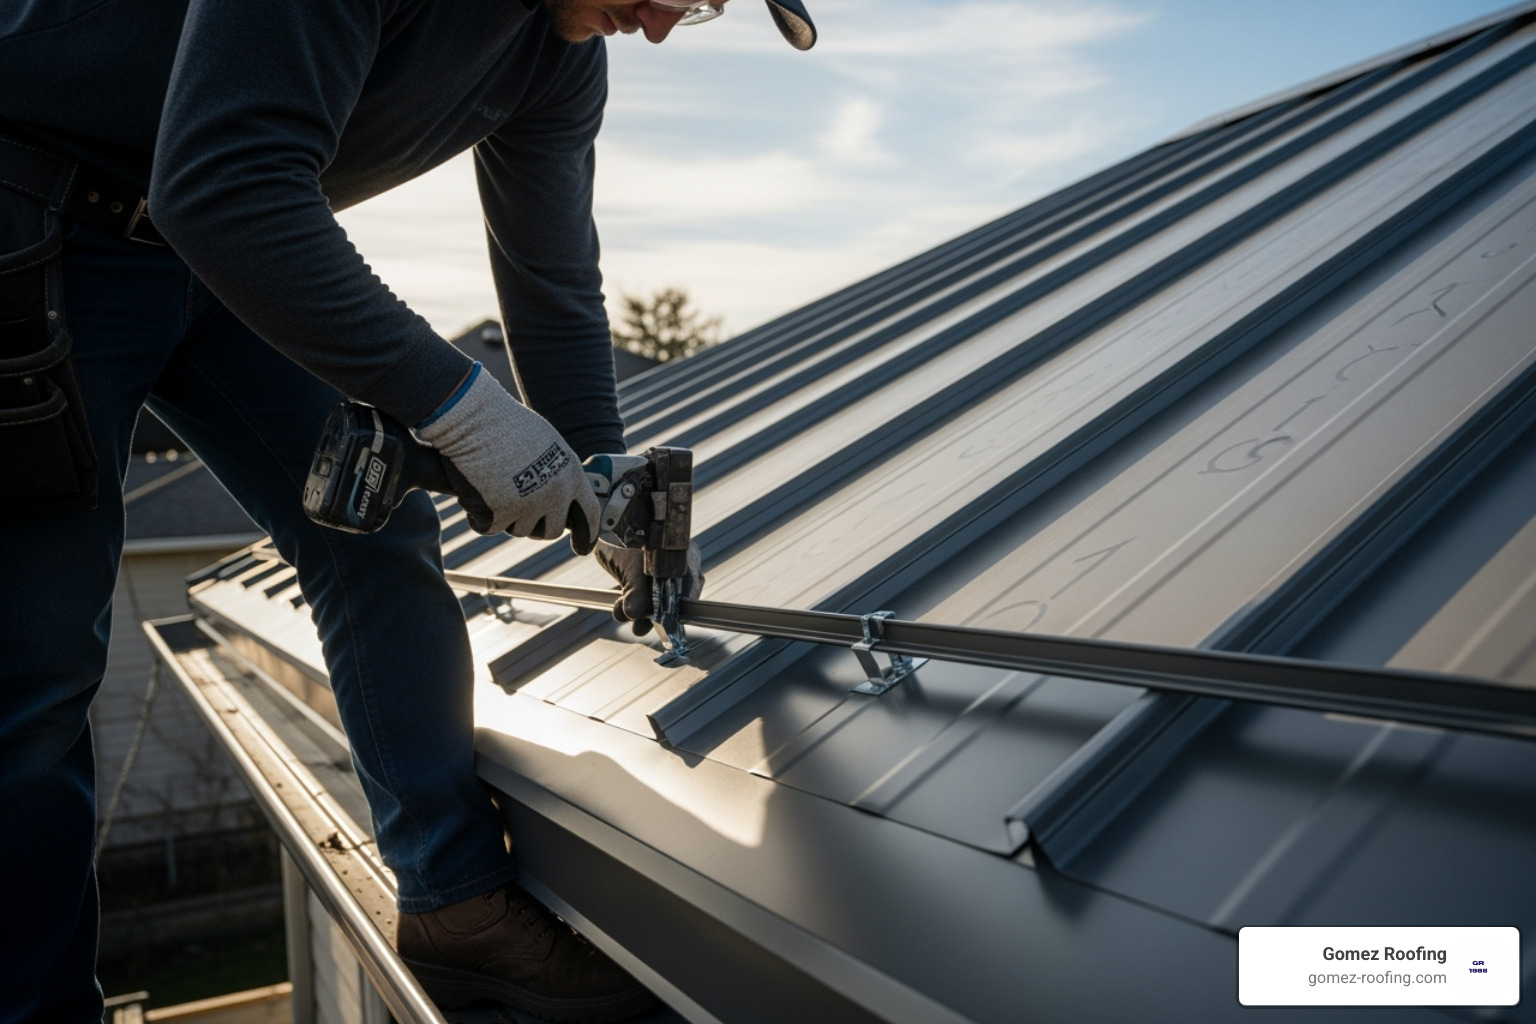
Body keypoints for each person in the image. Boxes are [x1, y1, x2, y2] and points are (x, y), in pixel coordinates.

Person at [0, 0, 814, 1021]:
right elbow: (224, 182)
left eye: (697, 11)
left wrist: (609, 487)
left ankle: (455, 904)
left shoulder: (560, 61)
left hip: (210, 243)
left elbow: (554, 283)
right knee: (33, 663)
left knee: (372, 523)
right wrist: (463, 408)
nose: (658, 26)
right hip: (38, 205)